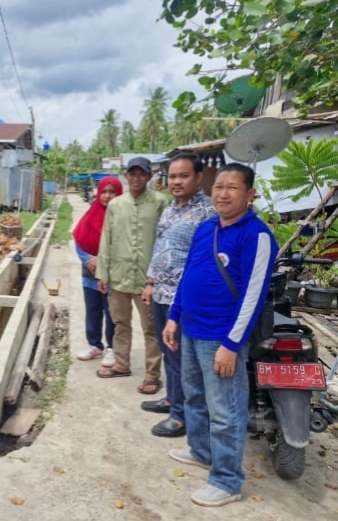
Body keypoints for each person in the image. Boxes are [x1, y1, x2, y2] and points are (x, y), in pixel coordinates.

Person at [162, 163, 277, 507]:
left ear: (250, 194)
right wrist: (174, 317)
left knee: (225, 410)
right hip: (191, 328)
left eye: (232, 188)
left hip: (221, 336)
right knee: (194, 396)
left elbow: (253, 295)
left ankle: (227, 480)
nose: (223, 194)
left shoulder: (256, 235)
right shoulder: (207, 227)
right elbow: (188, 274)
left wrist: (231, 344)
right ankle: (201, 451)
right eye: (218, 187)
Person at [140, 153, 216, 438]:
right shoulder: (170, 208)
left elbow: (204, 260)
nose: (176, 181)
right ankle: (173, 399)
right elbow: (159, 245)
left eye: (184, 176)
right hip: (161, 292)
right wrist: (150, 282)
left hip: (183, 298)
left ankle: (182, 417)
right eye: (172, 176)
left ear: (198, 177)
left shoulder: (207, 213)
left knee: (184, 357)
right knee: (168, 351)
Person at [95, 157, 168, 394]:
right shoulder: (116, 205)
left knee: (151, 328)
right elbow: (106, 238)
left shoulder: (160, 202)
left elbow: (165, 239)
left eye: (141, 174)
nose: (136, 178)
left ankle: (152, 374)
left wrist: (158, 276)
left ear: (149, 176)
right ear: (126, 176)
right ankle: (121, 364)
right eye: (132, 173)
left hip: (148, 279)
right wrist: (103, 273)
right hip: (119, 275)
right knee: (120, 323)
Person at [73, 176, 123, 367]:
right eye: (104, 191)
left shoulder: (122, 217)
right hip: (90, 274)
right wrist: (88, 259)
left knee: (112, 313)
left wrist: (101, 261)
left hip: (113, 275)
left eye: (112, 192)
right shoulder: (90, 214)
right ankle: (95, 345)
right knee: (93, 311)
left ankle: (112, 348)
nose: (107, 196)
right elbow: (79, 239)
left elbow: (124, 245)